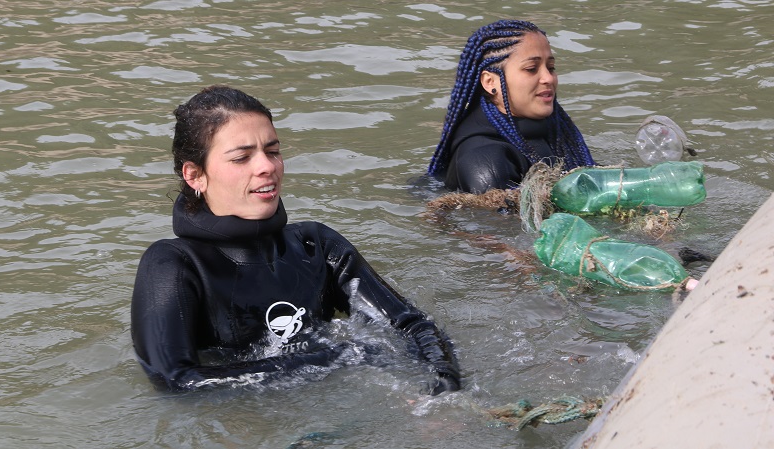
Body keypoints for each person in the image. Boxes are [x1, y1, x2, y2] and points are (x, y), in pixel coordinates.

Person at [131, 85, 460, 395]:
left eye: (272, 151)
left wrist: (443, 390)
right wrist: (334, 358)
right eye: (241, 157)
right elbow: (175, 381)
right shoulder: (172, 265)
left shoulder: (315, 244)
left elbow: (412, 327)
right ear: (195, 175)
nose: (266, 166)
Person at [428, 19, 596, 194]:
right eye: (531, 69)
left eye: (551, 67)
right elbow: (497, 220)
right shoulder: (485, 159)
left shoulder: (557, 132)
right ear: (490, 81)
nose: (548, 78)